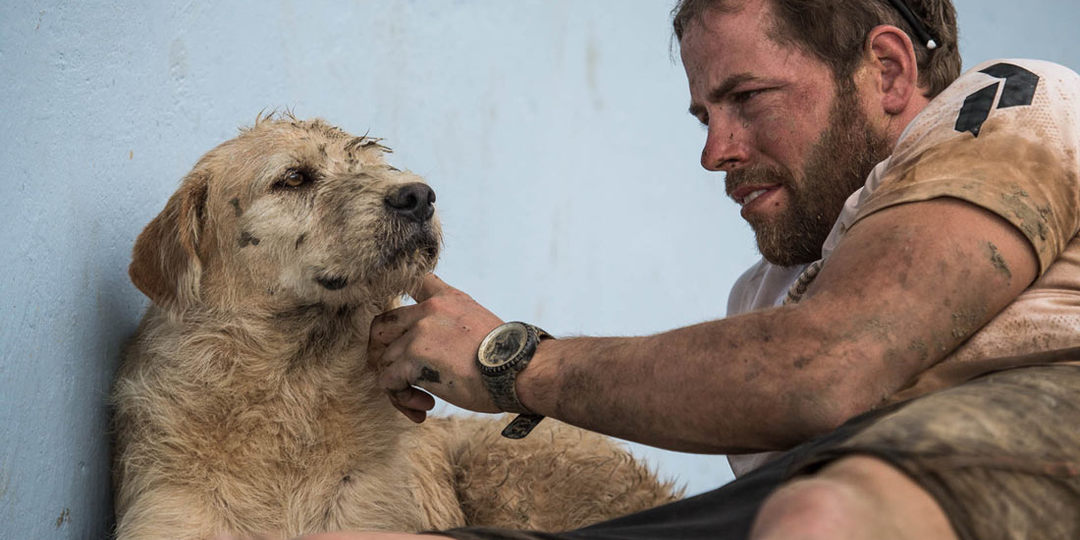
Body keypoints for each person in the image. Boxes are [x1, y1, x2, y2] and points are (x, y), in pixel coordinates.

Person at [308, 0, 1080, 539]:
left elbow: (823, 366)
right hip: (812, 488)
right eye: (704, 115)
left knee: (830, 516)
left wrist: (510, 362)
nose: (716, 152)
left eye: (746, 97)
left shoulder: (1009, 105)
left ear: (885, 68)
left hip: (1021, 439)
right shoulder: (764, 297)